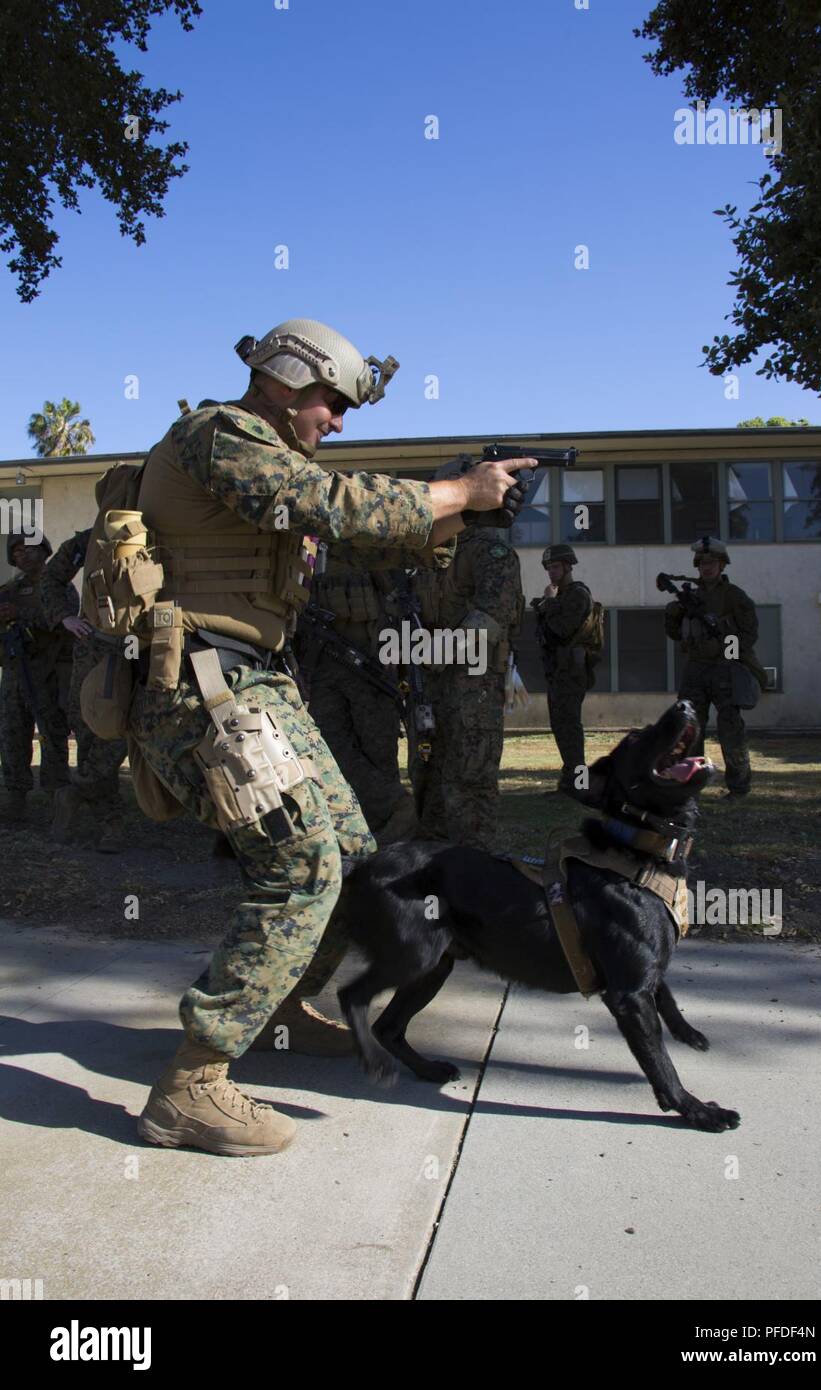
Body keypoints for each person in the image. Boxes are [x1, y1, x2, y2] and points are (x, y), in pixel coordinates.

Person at [123, 317, 534, 1157]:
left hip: (256, 681)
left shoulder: (272, 457)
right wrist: (456, 491)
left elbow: (366, 527)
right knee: (301, 862)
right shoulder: (218, 436)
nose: (337, 422)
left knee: (356, 856)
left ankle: (279, 1003)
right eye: (330, 402)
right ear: (283, 377)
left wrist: (460, 507)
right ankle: (190, 1085)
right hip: (202, 681)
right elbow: (326, 504)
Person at [412, 523, 523, 851]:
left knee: (471, 773)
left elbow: (493, 611)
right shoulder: (429, 550)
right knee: (427, 768)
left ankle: (477, 858)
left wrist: (441, 651)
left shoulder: (489, 550)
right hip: (428, 681)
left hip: (474, 684)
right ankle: (432, 854)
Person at [302, 559, 417, 843]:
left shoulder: (376, 546)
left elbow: (400, 600)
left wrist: (396, 655)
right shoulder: (311, 546)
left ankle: (394, 825)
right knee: (329, 749)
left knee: (378, 749)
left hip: (370, 666)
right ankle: (382, 814)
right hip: (322, 665)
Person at [40, 528, 129, 852]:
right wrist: (64, 617)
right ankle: (111, 823)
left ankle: (75, 791)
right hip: (97, 649)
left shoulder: (160, 531)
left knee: (125, 732)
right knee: (96, 734)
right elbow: (51, 578)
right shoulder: (91, 539)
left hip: (146, 646)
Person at [664, 536, 765, 798]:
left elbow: (749, 633)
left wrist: (727, 652)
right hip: (696, 668)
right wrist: (674, 613)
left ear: (722, 566)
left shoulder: (734, 596)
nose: (707, 567)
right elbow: (676, 634)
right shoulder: (690, 597)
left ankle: (739, 787)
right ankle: (690, 785)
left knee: (730, 728)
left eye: (712, 563)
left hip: (724, 669)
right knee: (689, 728)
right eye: (702, 563)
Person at [0, 534, 77, 819]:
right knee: (12, 734)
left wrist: (21, 615)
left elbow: (62, 621)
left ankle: (58, 799)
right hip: (15, 673)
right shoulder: (9, 589)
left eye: (30, 549)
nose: (24, 555)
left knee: (52, 734)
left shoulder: (59, 587)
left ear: (44, 552)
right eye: (18, 551)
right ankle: (15, 797)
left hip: (49, 673)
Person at [531, 544, 596, 799]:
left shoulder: (578, 594)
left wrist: (547, 604)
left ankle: (578, 786)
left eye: (556, 567)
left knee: (570, 728)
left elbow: (561, 629)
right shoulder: (559, 597)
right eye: (549, 568)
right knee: (561, 727)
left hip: (572, 671)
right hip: (558, 671)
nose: (551, 573)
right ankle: (569, 784)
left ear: (568, 566)